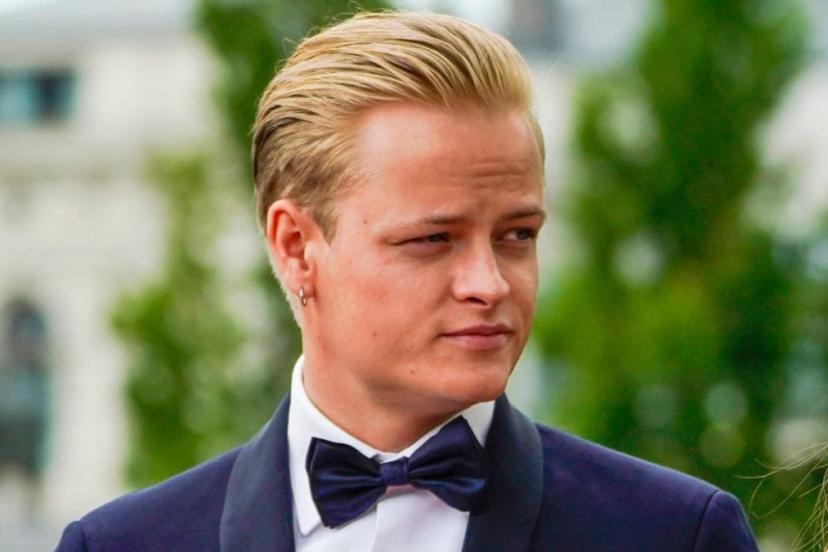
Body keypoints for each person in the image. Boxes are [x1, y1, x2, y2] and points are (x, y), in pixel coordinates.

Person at [56, 10, 759, 551]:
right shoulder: (120, 546)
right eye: (432, 240)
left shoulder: (674, 535)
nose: (489, 283)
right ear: (297, 247)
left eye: (517, 235)